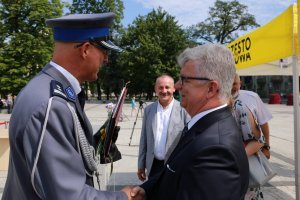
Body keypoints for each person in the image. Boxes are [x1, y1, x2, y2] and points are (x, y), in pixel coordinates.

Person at [2, 13, 131, 199]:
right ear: (85, 49)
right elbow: (67, 195)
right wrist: (123, 197)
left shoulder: (48, 88)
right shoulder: (51, 104)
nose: (106, 59)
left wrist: (99, 142)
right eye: (104, 51)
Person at [131, 44, 249, 200]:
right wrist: (147, 190)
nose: (178, 86)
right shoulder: (204, 125)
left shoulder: (216, 150)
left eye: (185, 79)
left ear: (211, 89)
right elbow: (173, 173)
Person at [137, 74, 190, 182]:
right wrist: (141, 164)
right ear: (156, 89)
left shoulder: (184, 110)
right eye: (160, 87)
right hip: (153, 165)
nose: (164, 91)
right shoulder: (148, 110)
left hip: (175, 165)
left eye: (167, 87)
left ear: (174, 89)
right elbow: (144, 139)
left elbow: (189, 141)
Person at [231, 74, 265, 200]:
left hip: (240, 174)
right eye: (230, 84)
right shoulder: (212, 107)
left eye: (236, 83)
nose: (234, 88)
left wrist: (234, 159)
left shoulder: (239, 107)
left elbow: (259, 141)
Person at [231, 74, 272, 159]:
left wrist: (266, 147)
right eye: (229, 84)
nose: (232, 87)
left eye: (235, 84)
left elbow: (263, 123)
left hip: (250, 151)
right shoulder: (218, 99)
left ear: (240, 83)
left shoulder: (251, 97)